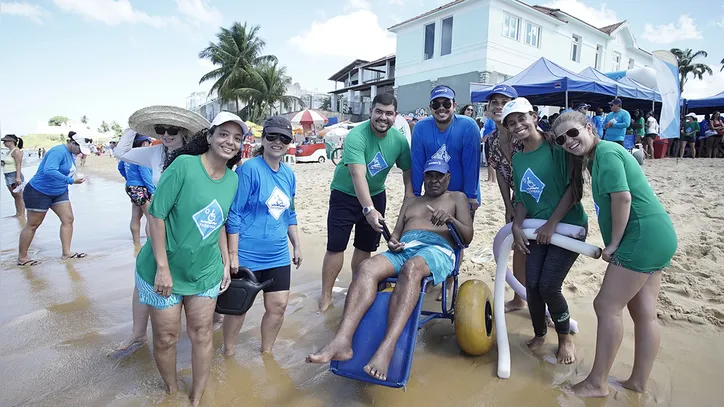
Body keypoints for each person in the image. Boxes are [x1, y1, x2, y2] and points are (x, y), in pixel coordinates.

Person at [306, 159, 474, 381]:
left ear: (448, 177)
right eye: (429, 176)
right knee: (366, 267)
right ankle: (342, 340)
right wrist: (393, 242)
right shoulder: (411, 202)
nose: (434, 180)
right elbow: (395, 234)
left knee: (412, 268)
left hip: (437, 250)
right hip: (405, 248)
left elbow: (468, 237)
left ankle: (387, 347)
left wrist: (450, 220)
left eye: (439, 175)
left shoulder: (457, 198)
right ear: (423, 178)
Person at [552, 111, 677, 397]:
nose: (568, 141)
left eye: (573, 133)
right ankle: (638, 383)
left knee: (606, 306)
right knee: (643, 312)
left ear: (589, 127)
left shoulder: (606, 152)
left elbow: (623, 197)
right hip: (658, 235)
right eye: (561, 139)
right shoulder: (600, 156)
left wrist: (614, 243)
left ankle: (597, 383)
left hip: (640, 236)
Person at [134, 119, 242, 406]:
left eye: (236, 138)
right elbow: (156, 215)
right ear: (209, 137)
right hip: (163, 268)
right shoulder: (183, 166)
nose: (229, 141)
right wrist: (163, 268)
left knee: (202, 333)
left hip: (203, 270)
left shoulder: (233, 180)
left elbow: (218, 221)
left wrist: (224, 259)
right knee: (167, 337)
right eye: (223, 134)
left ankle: (196, 397)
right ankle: (170, 391)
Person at [113, 107, 212, 354]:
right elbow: (121, 153)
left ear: (185, 132)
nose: (166, 135)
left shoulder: (196, 155)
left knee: (192, 280)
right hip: (159, 226)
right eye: (161, 130)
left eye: (172, 130)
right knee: (144, 277)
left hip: (189, 228)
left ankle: (198, 331)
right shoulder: (155, 153)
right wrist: (134, 127)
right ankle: (138, 335)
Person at [504, 97, 588, 364]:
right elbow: (521, 198)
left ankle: (565, 339)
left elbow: (574, 189)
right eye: (511, 123)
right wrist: (517, 225)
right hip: (535, 229)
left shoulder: (557, 147)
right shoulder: (517, 159)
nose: (517, 126)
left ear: (534, 117)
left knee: (550, 285)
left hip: (568, 228)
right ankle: (540, 334)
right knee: (533, 285)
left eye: (521, 119)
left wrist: (552, 224)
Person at [319, 93, 413, 312]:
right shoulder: (356, 135)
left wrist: (410, 198)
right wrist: (369, 210)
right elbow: (357, 175)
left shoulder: (399, 141)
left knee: (364, 248)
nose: (383, 117)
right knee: (336, 247)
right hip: (344, 194)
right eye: (379, 111)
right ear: (371, 111)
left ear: (395, 116)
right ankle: (325, 297)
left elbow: (408, 173)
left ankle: (356, 290)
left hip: (377, 194)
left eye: (389, 113)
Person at [222, 116, 302, 356]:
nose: (277, 142)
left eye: (284, 138)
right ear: (263, 138)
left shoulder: (289, 174)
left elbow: (290, 212)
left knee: (278, 306)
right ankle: (228, 353)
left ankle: (266, 353)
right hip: (246, 253)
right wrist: (233, 255)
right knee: (238, 308)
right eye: (272, 136)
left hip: (278, 255)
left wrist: (296, 246)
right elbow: (234, 214)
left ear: (290, 142)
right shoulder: (248, 169)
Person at [410, 85, 480, 300]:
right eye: (436, 104)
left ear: (454, 105)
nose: (442, 108)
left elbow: (472, 163)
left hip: (462, 191)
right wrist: (414, 194)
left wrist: (470, 196)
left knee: (457, 237)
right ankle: (432, 272)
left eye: (446, 103)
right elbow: (417, 161)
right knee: (433, 232)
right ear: (430, 107)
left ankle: (450, 280)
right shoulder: (421, 128)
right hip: (433, 192)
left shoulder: (468, 126)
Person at [17, 132, 91, 266]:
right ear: (73, 143)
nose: (81, 152)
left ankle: (66, 253)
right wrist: (70, 181)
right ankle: (22, 258)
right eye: (80, 149)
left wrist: (66, 186)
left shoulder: (71, 155)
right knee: (33, 224)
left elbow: (67, 171)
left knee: (68, 219)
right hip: (39, 191)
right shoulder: (58, 151)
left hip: (59, 192)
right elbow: (49, 170)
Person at [486, 85, 528, 312]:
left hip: (538, 199)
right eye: (495, 102)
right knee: (518, 248)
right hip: (515, 199)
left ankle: (548, 309)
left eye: (504, 102)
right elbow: (501, 175)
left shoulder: (522, 133)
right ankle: (519, 298)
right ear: (488, 108)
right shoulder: (491, 140)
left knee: (540, 253)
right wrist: (508, 205)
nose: (499, 106)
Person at [124, 133, 155, 247]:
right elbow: (145, 174)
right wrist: (152, 191)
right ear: (144, 143)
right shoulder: (142, 155)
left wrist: (129, 179)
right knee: (151, 216)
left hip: (131, 187)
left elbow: (121, 168)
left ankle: (136, 243)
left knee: (135, 216)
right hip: (141, 187)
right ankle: (150, 243)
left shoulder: (129, 154)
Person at [2, 134, 26, 217]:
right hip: (8, 175)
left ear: (12, 141)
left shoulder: (16, 151)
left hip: (14, 175)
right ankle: (18, 213)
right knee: (14, 195)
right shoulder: (9, 152)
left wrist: (18, 177)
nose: (4, 143)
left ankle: (21, 214)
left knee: (18, 196)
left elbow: (18, 164)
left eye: (5, 141)